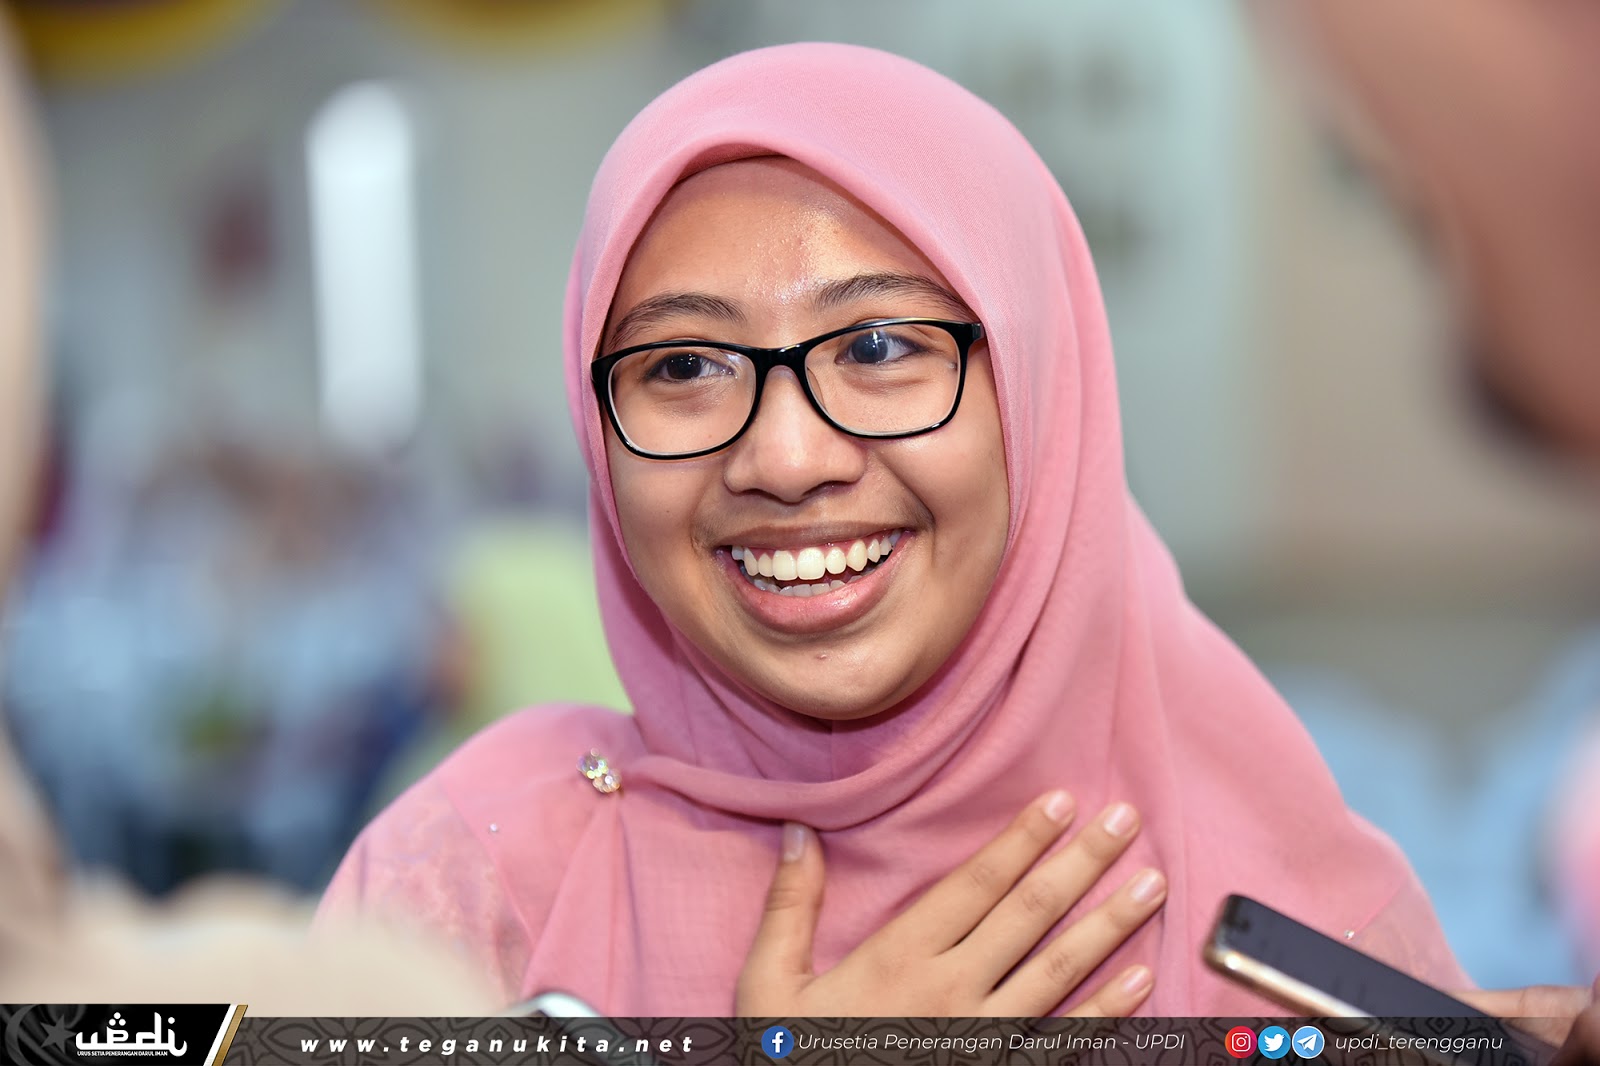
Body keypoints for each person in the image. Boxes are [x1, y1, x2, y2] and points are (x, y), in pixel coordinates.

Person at [320, 42, 1471, 1017]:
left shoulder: (1303, 950)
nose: (784, 459)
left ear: (1036, 391)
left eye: (878, 347)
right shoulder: (470, 891)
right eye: (682, 366)